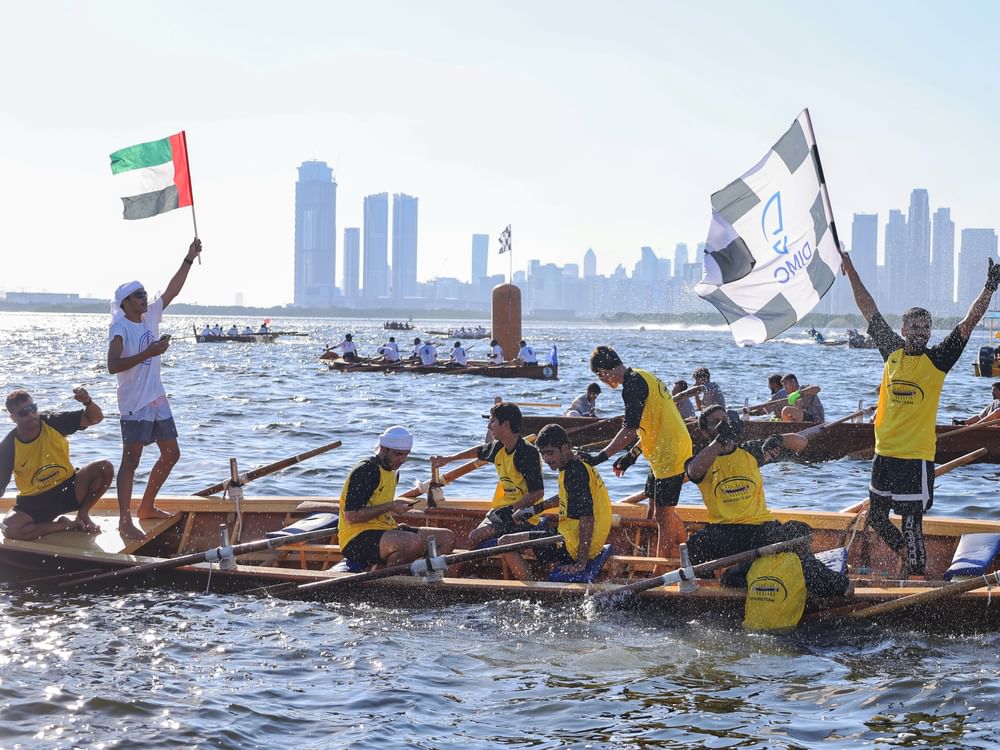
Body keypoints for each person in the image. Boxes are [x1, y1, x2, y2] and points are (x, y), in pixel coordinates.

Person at [841, 249, 1000, 577]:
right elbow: (867, 306)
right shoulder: (890, 351)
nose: (920, 332)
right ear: (902, 329)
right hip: (884, 455)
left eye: (925, 328)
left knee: (912, 524)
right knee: (877, 518)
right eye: (914, 326)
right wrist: (851, 268)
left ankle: (916, 577)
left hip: (916, 458)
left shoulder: (938, 359)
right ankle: (903, 558)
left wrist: (989, 288)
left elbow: (967, 323)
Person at [684, 405, 849, 596]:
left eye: (725, 421)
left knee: (798, 532)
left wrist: (779, 439)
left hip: (759, 528)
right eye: (715, 423)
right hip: (725, 530)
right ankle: (708, 593)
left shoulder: (751, 451)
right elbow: (693, 471)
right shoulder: (703, 459)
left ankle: (836, 587)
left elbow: (801, 442)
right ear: (705, 431)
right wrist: (718, 441)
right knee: (695, 546)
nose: (722, 425)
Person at [108, 237, 202, 539]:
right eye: (138, 295)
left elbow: (172, 290)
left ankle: (146, 506)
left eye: (144, 294)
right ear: (125, 302)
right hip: (134, 402)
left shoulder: (151, 316)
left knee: (171, 453)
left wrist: (188, 258)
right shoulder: (120, 327)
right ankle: (124, 520)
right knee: (131, 460)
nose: (144, 298)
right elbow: (113, 365)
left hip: (157, 398)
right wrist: (149, 353)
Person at [587, 346, 692, 559]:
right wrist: (631, 456)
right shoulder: (643, 375)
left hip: (670, 454)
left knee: (663, 515)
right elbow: (652, 424)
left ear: (603, 371)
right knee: (659, 509)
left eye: (600, 376)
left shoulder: (631, 386)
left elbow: (628, 429)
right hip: (662, 452)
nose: (604, 382)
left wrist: (601, 456)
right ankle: (686, 554)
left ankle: (659, 571)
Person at [500, 424, 611, 580]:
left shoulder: (574, 473)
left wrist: (580, 564)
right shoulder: (575, 464)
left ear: (565, 448)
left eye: (550, 453)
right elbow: (563, 497)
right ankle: (550, 568)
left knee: (505, 542)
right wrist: (531, 511)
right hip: (578, 540)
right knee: (538, 527)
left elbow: (587, 519)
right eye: (543, 454)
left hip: (573, 546)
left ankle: (531, 592)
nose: (546, 459)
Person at [1, 389, 114, 540]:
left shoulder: (53, 422)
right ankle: (64, 525)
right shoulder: (8, 447)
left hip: (68, 488)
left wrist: (87, 401)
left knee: (104, 467)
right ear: (13, 418)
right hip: (34, 500)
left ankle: (83, 515)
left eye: (33, 408)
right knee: (9, 529)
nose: (31, 415)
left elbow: (95, 418)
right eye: (23, 413)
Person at [430, 402, 544, 548]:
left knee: (473, 538)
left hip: (523, 516)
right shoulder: (499, 447)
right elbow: (477, 451)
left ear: (506, 424)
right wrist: (448, 459)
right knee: (470, 541)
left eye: (492, 421)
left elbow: (537, 492)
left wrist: (511, 509)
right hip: (500, 512)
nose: (488, 426)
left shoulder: (526, 453)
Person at [338, 426, 454, 568]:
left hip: (384, 529)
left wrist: (393, 511)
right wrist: (391, 506)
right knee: (411, 542)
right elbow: (351, 517)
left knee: (446, 537)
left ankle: (423, 577)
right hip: (355, 539)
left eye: (406, 454)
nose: (403, 460)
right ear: (384, 449)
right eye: (398, 454)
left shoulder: (394, 471)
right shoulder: (366, 470)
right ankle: (387, 583)